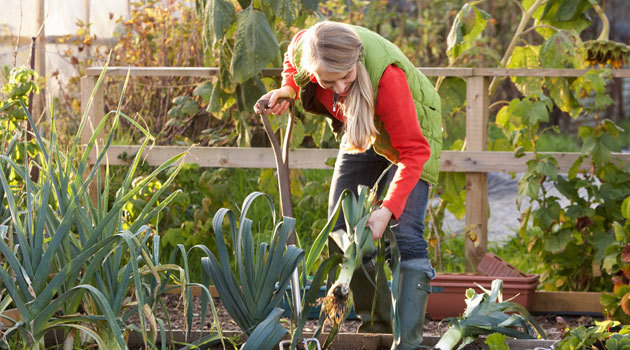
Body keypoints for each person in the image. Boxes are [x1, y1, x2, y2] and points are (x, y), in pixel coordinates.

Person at [254, 21, 442, 350]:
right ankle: (376, 330)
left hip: (412, 133)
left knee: (406, 233)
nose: (340, 86)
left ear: (356, 60)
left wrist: (387, 210)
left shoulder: (388, 80)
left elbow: (414, 152)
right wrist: (287, 88)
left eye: (347, 76)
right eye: (328, 80)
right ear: (312, 69)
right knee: (344, 230)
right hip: (361, 126)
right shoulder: (307, 46)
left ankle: (407, 344)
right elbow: (291, 57)